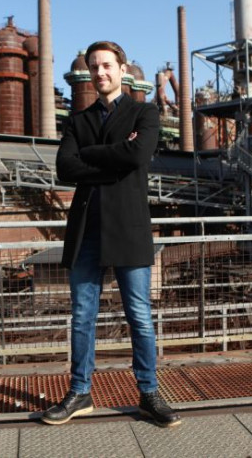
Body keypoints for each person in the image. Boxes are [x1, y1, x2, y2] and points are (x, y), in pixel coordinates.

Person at [41, 40, 181, 428]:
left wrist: (90, 154)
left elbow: (138, 156)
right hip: (87, 228)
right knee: (82, 316)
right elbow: (65, 168)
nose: (100, 72)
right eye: (94, 67)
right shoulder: (78, 120)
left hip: (128, 227)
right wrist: (116, 155)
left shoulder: (144, 112)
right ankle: (80, 392)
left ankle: (149, 393)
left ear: (122, 69)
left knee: (139, 315)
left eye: (106, 65)